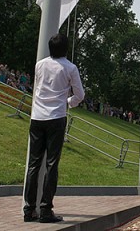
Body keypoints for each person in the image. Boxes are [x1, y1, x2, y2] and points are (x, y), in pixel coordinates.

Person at [23, 34, 84, 223]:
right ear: (66, 49)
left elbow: (37, 87)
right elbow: (80, 95)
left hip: (37, 117)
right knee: (51, 164)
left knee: (34, 164)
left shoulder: (39, 65)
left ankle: (28, 209)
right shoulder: (70, 68)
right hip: (56, 117)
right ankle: (46, 209)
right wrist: (67, 102)